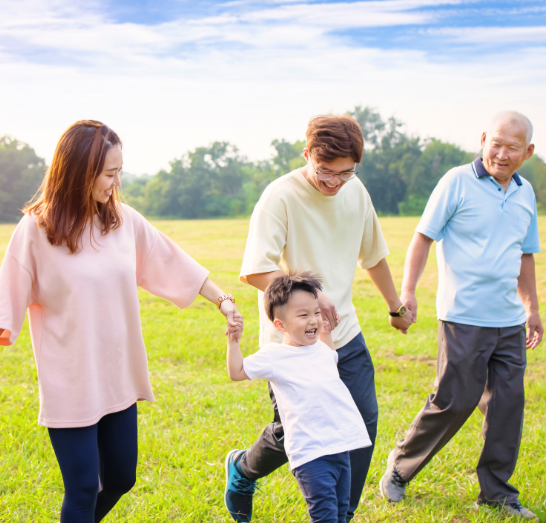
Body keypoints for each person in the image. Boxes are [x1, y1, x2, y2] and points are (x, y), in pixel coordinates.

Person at [0, 120, 243, 522]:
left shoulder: (122, 221)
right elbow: (5, 298)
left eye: (119, 172)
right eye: (109, 173)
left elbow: (170, 260)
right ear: (78, 172)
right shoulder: (36, 230)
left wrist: (223, 300)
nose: (116, 182)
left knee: (122, 477)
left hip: (118, 375)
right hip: (70, 380)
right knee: (80, 488)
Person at [224, 114, 413, 523]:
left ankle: (341, 516)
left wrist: (395, 306)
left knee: (360, 421)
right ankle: (242, 470)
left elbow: (373, 255)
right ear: (307, 154)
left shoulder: (355, 190)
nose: (334, 183)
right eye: (325, 172)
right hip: (292, 344)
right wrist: (311, 293)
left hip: (343, 333)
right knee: (295, 431)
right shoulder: (280, 196)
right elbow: (256, 270)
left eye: (345, 173)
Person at [380, 111, 541, 521]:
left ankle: (497, 494)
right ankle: (400, 466)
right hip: (463, 315)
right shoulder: (457, 181)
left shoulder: (525, 193)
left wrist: (532, 309)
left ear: (528, 152)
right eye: (496, 143)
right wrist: (409, 290)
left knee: (507, 406)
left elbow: (525, 255)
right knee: (454, 400)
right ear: (484, 138)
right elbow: (422, 238)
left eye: (512, 148)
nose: (501, 154)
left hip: (507, 320)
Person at [226, 272, 372, 523]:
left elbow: (330, 357)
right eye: (303, 315)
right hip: (310, 454)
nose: (313, 319)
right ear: (280, 325)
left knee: (339, 513)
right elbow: (237, 372)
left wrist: (326, 329)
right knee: (325, 515)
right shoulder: (275, 355)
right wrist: (234, 341)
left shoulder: (322, 350)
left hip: (340, 449)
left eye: (316, 312)